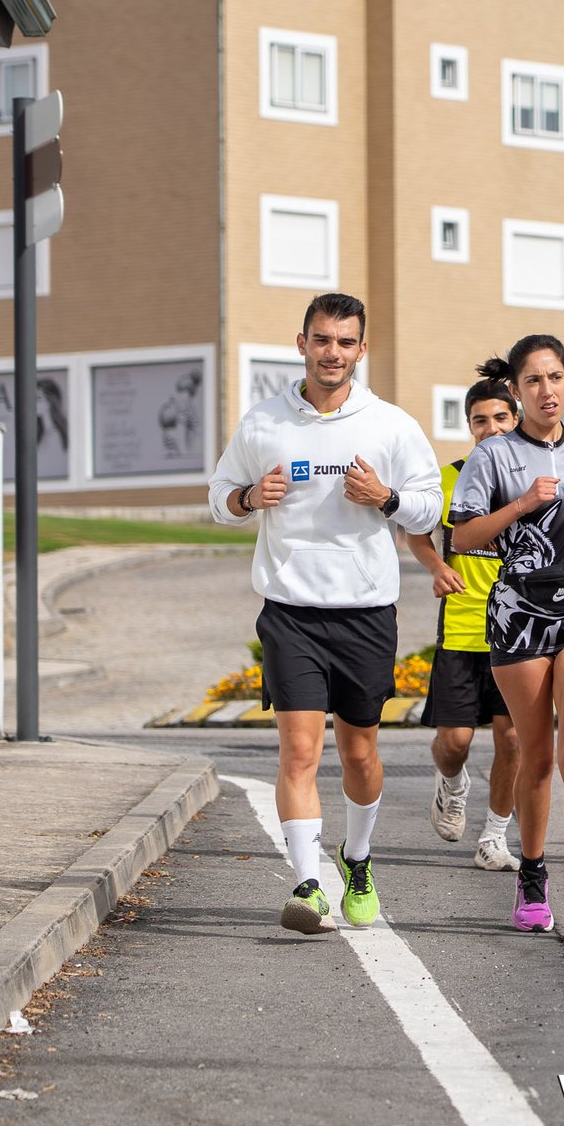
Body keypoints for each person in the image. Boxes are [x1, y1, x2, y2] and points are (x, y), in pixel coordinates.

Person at [208, 293, 441, 935]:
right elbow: (218, 499)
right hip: (290, 612)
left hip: (366, 612)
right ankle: (308, 884)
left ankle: (357, 860)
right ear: (302, 343)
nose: (331, 352)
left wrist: (387, 498)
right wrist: (250, 496)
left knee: (361, 754)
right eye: (321, 339)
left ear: (361, 349)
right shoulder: (263, 423)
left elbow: (430, 508)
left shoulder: (390, 424)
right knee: (299, 753)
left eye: (344, 342)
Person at [449, 336, 564, 934]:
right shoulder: (494, 455)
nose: (546, 391)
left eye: (555, 378)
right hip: (519, 609)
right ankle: (532, 880)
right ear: (516, 390)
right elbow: (463, 537)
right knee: (536, 754)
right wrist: (523, 502)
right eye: (533, 382)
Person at [407, 379, 523, 872]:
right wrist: (437, 567)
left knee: (512, 739)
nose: (490, 428)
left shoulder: (533, 478)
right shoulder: (448, 478)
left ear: (516, 420)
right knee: (454, 741)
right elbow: (415, 534)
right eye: (480, 420)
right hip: (461, 629)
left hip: (521, 633)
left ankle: (494, 837)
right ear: (469, 425)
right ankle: (452, 784)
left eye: (500, 418)